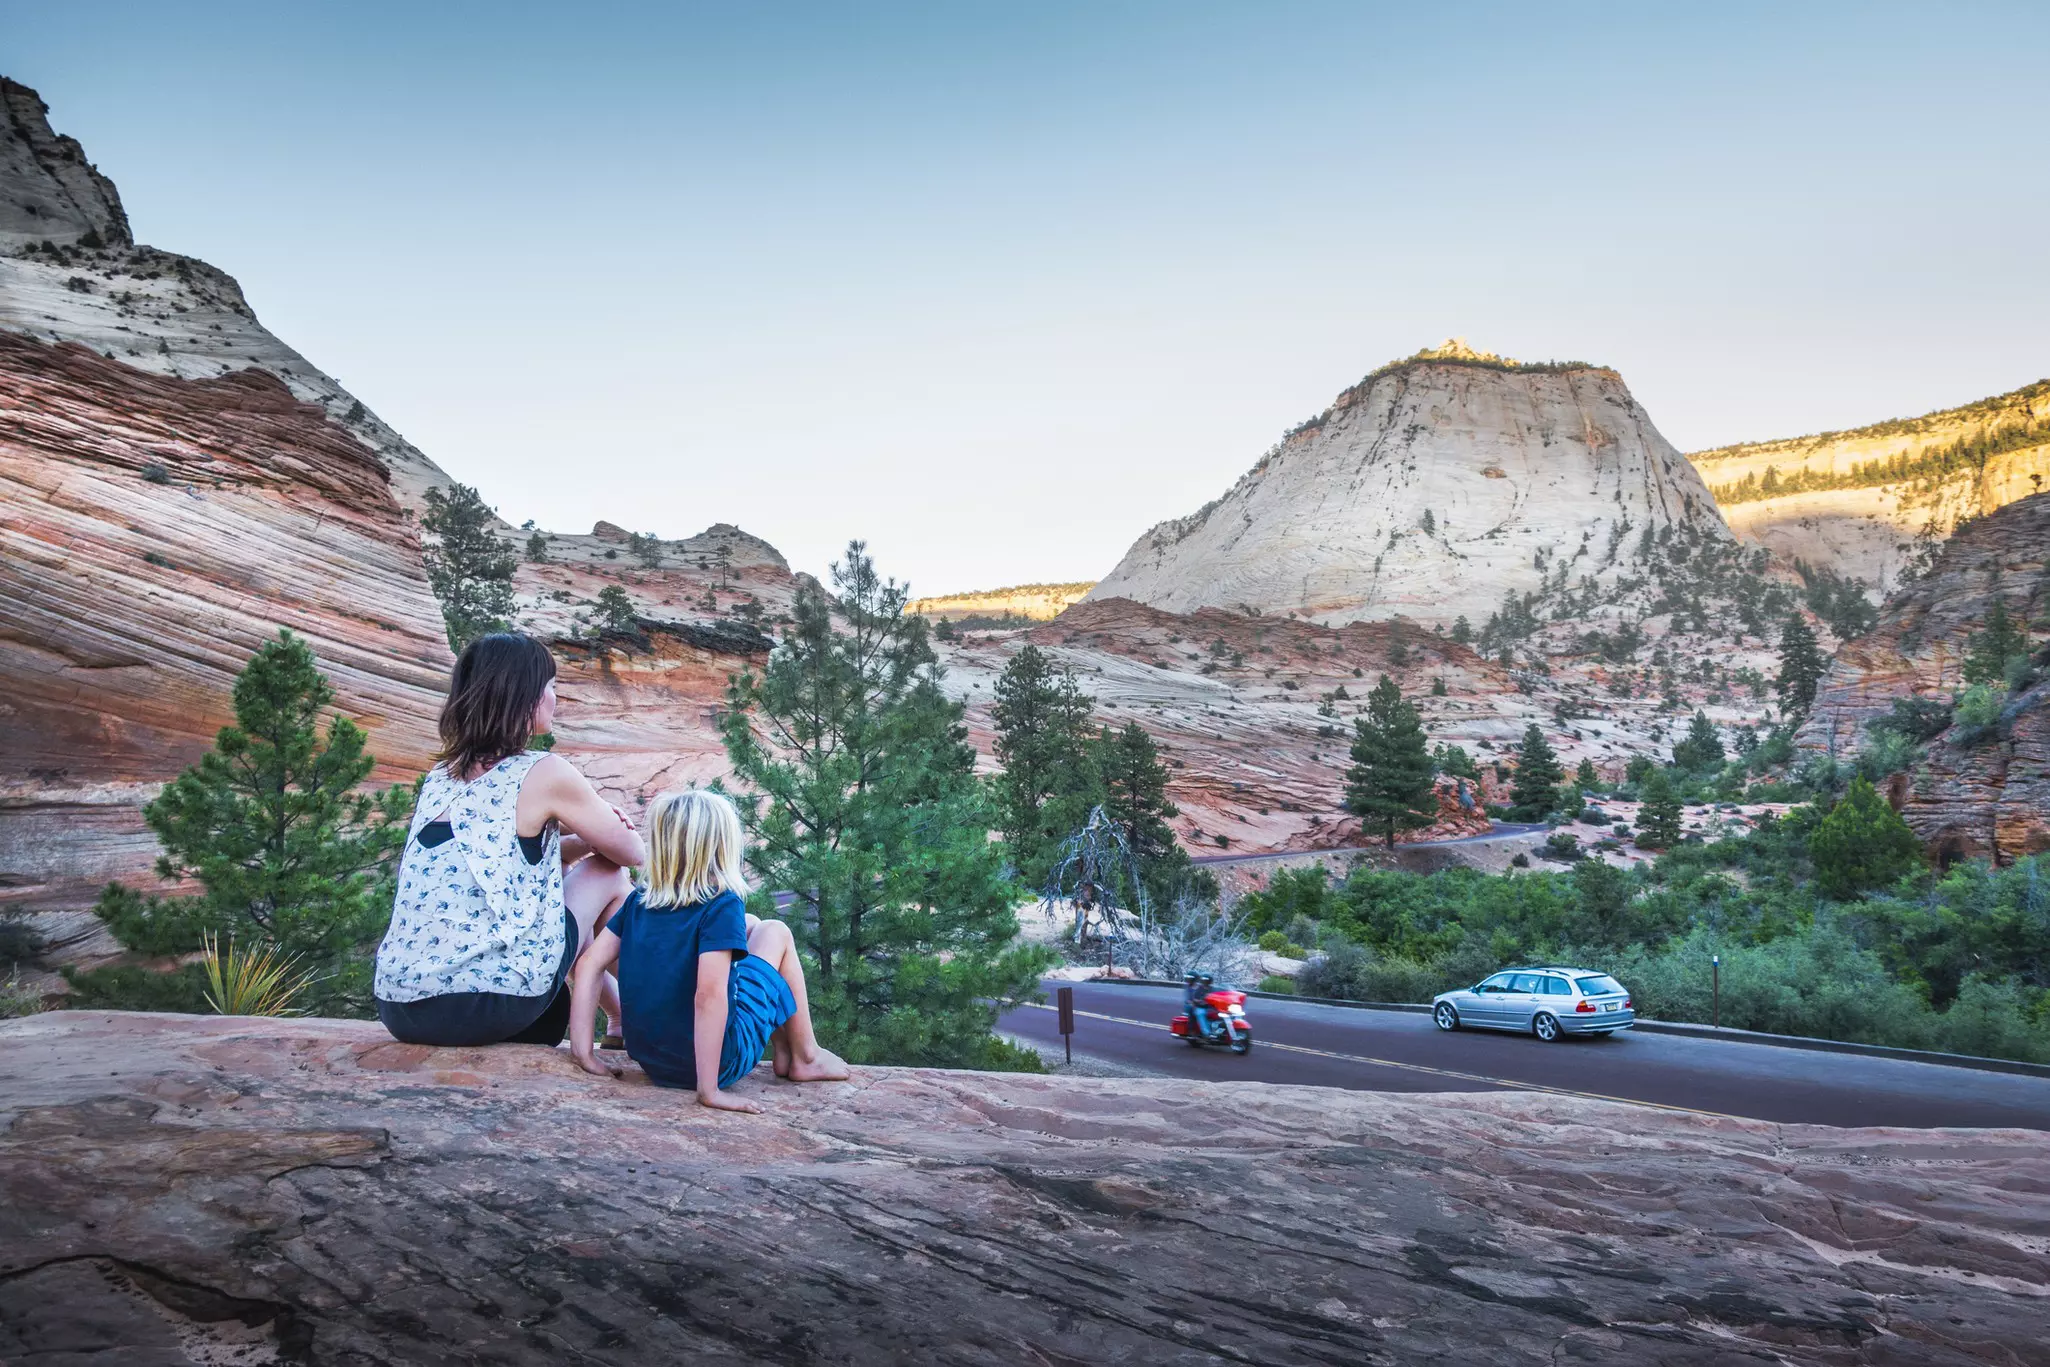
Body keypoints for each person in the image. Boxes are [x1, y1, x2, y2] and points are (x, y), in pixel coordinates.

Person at [374, 633, 646, 1047]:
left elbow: (495, 853)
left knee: (556, 884)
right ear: (525, 697)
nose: (556, 698)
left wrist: (574, 841)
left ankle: (620, 1017)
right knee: (608, 872)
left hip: (400, 1008)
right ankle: (649, 1012)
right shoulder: (544, 771)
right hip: (489, 1006)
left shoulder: (440, 777)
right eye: (551, 686)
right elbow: (632, 852)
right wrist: (601, 832)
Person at [569, 788, 848, 1112]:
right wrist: (709, 1090)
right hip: (714, 1066)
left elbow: (589, 964)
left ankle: (786, 1050)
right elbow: (709, 996)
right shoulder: (721, 903)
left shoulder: (640, 900)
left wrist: (583, 1053)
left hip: (654, 1062)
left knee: (752, 926)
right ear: (721, 845)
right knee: (775, 932)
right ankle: (806, 1055)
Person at [1183, 971, 1216, 1038]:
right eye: (1204, 981)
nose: (1205, 982)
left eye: (1207, 981)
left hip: (1208, 1006)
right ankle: (1205, 1032)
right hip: (1197, 1006)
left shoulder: (1212, 989)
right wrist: (1197, 1002)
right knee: (1198, 1012)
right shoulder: (1197, 988)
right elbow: (1193, 999)